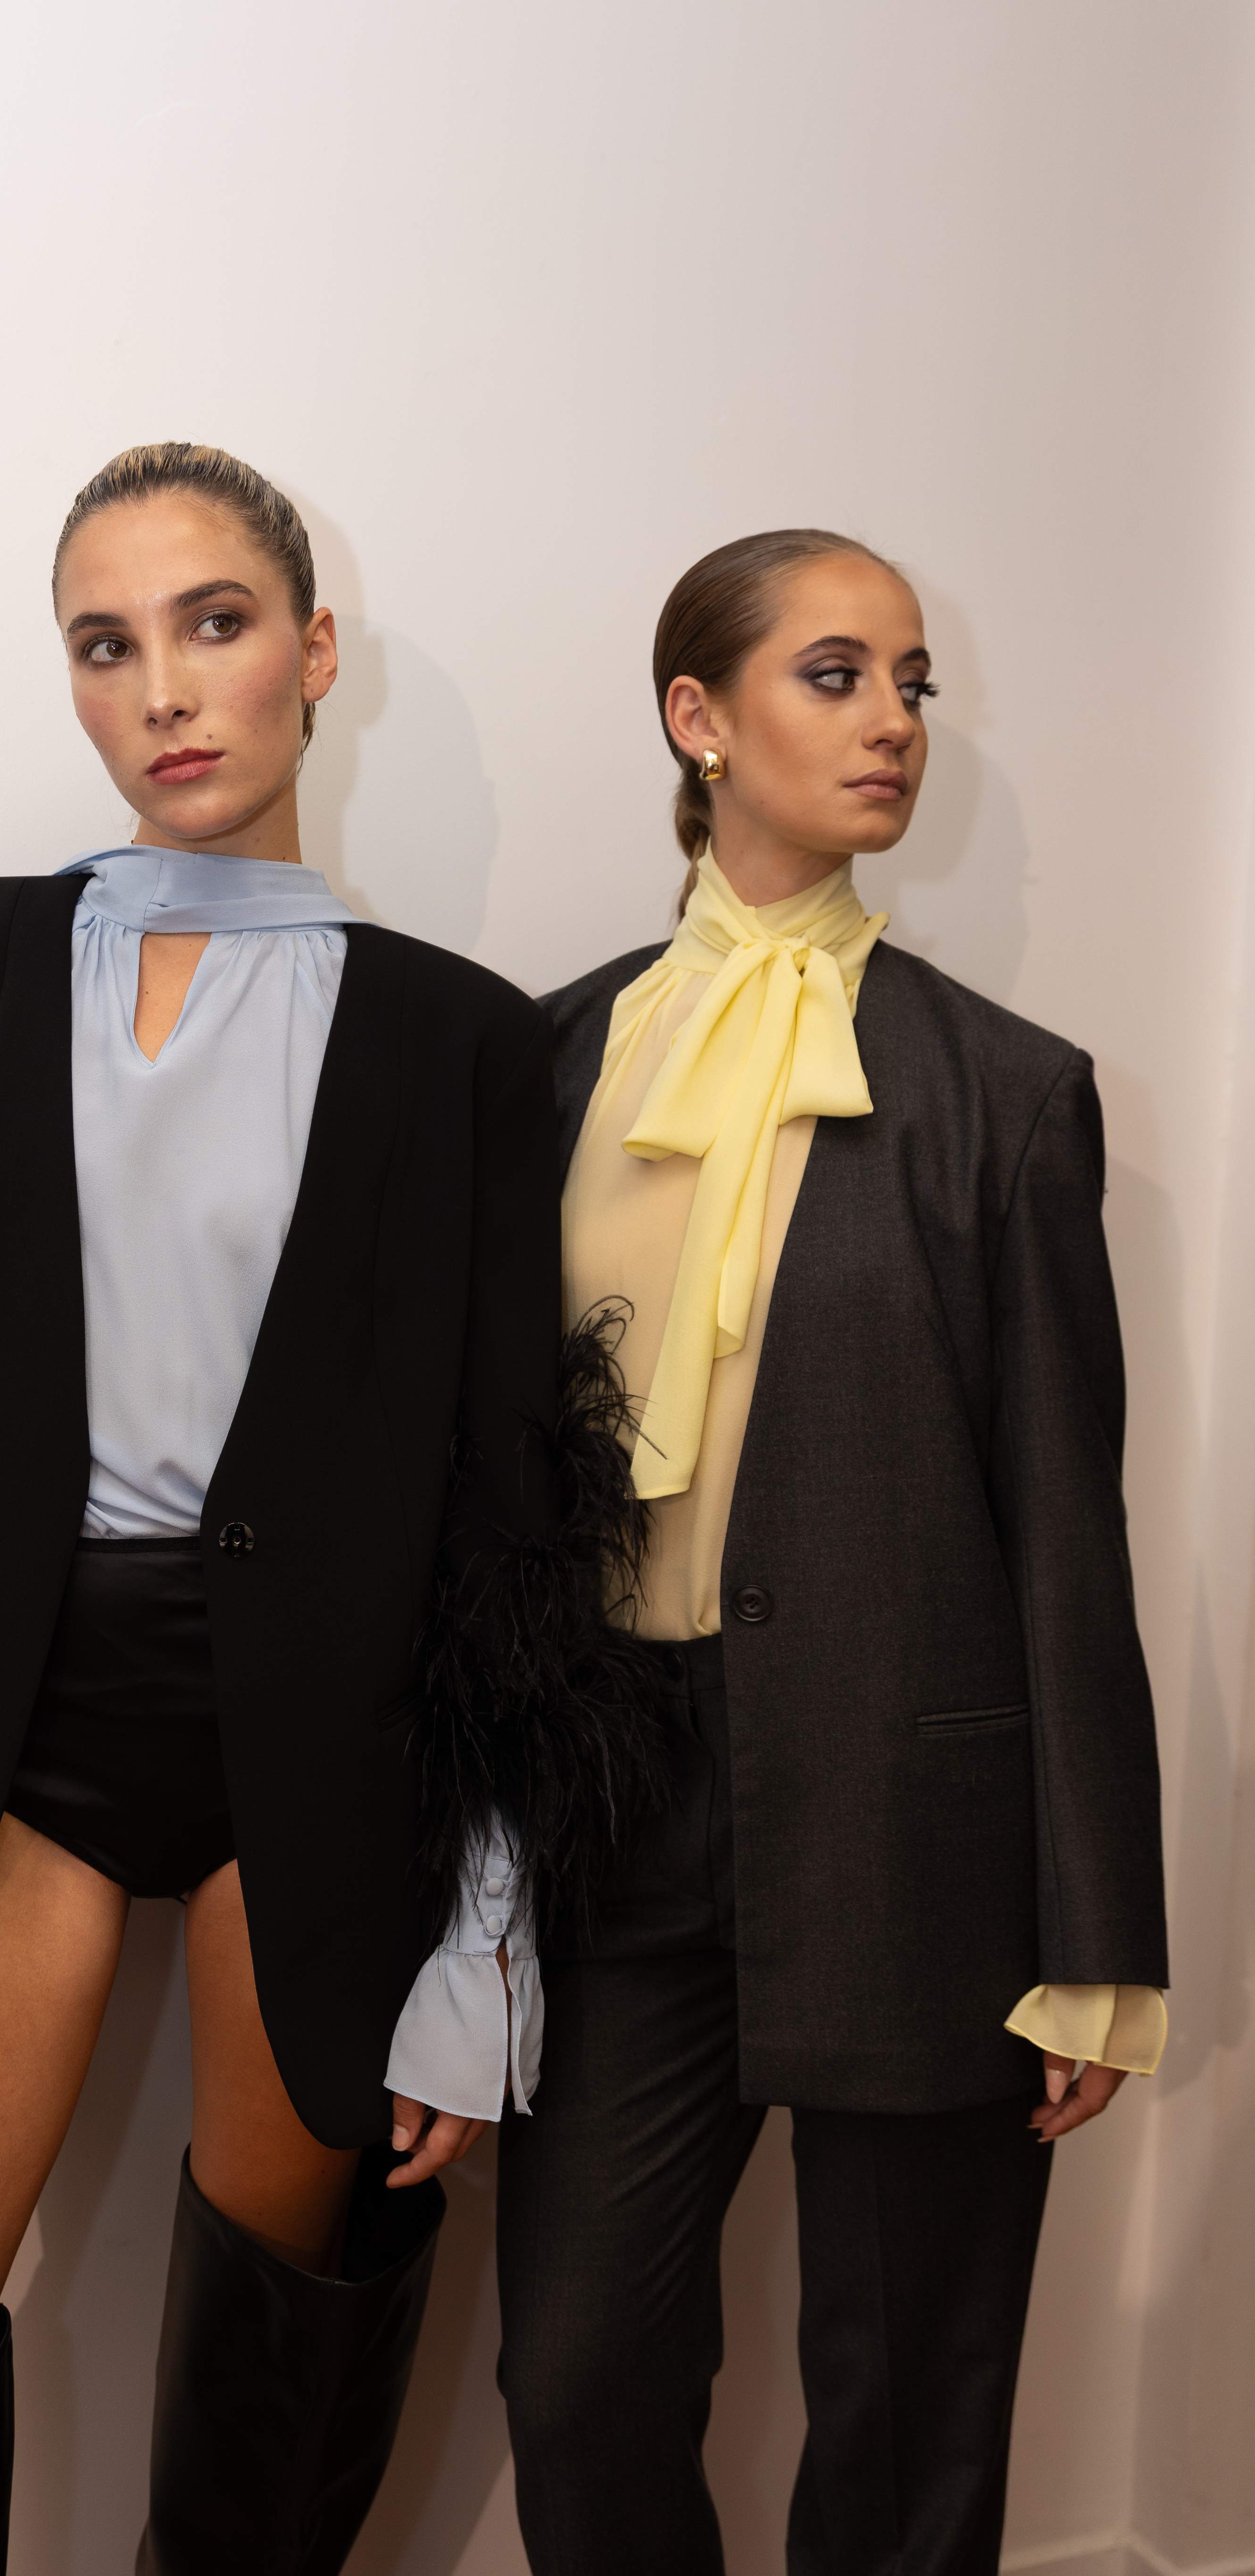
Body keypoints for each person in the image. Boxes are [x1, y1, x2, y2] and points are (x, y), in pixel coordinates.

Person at [0, 443, 654, 2574]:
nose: (167, 691)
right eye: (106, 646)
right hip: (6, 1726)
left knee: (259, 2432)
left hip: (325, 1742)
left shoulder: (460, 1041)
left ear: (315, 650)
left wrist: (480, 1942)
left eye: (215, 625)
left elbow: (511, 1513)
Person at [497, 528, 1169, 2576]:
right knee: (580, 2376)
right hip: (621, 1803)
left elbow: (1068, 1533)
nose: (894, 723)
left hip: (916, 1825)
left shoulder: (1007, 1096)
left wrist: (1097, 1939)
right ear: (697, 719)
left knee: (906, 2418)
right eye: (836, 674)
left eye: (913, 683)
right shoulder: (546, 1061)